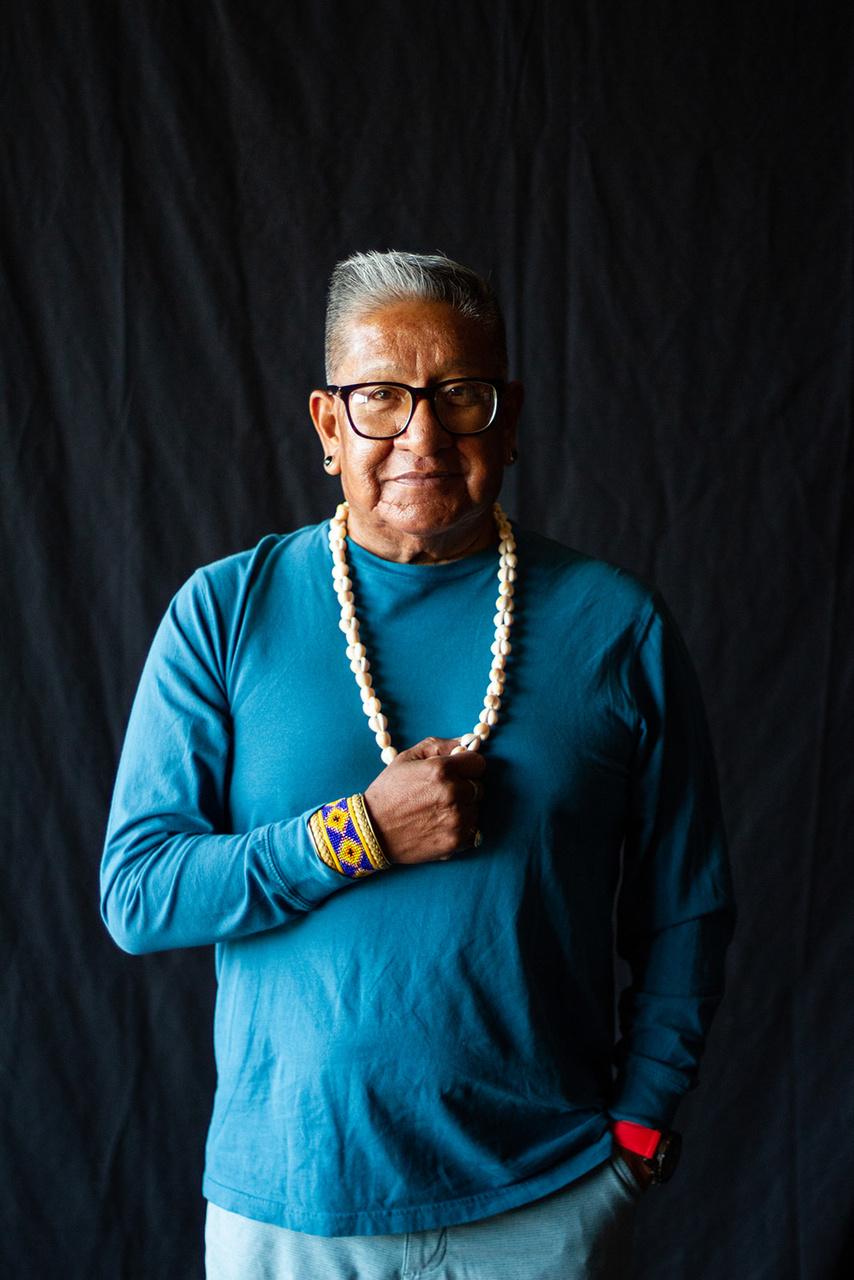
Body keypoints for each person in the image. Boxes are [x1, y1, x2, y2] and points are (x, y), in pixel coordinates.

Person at [101, 250, 736, 1280]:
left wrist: (638, 1132)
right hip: (291, 1210)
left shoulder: (616, 625)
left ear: (509, 419)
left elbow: (686, 909)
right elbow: (137, 892)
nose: (423, 436)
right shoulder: (224, 613)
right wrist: (356, 834)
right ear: (327, 425)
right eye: (381, 399)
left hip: (543, 1205)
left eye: (460, 396)